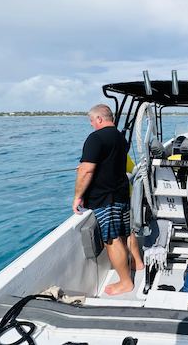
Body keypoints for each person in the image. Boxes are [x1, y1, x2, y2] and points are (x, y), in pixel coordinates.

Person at [72, 104, 144, 295]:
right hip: (121, 194)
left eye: (91, 121)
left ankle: (126, 282)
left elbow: (87, 170)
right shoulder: (120, 137)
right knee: (127, 233)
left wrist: (78, 196)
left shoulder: (95, 138)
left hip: (105, 198)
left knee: (112, 239)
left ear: (99, 119)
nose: (91, 125)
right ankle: (138, 263)